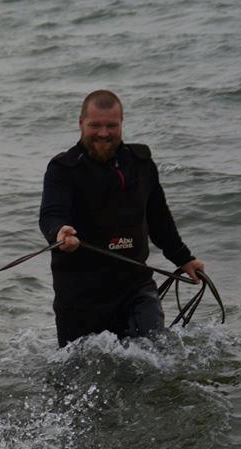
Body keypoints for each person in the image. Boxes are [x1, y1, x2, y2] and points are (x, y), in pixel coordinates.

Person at [39, 89, 206, 347]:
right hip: (80, 295)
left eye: (111, 126)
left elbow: (159, 218)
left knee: (153, 356)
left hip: (134, 287)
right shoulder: (63, 168)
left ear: (121, 123)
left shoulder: (140, 163)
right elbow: (51, 214)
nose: (103, 133)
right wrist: (60, 232)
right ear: (81, 123)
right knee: (78, 378)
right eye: (95, 125)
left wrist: (184, 258)